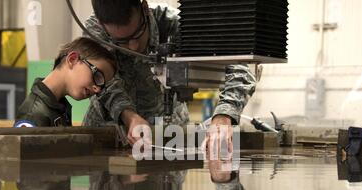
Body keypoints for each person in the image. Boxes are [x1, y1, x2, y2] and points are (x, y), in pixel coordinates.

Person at [83, 0, 257, 150]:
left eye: (137, 33)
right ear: (101, 23)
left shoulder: (178, 25)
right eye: (121, 41)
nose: (134, 46)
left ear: (144, 7)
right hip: (108, 132)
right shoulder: (94, 31)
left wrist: (224, 116)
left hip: (169, 134)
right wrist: (128, 116)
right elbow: (103, 83)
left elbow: (240, 67)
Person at [14, 37, 116, 127]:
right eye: (97, 76)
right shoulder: (33, 115)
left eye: (102, 85)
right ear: (72, 59)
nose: (97, 89)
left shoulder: (60, 106)